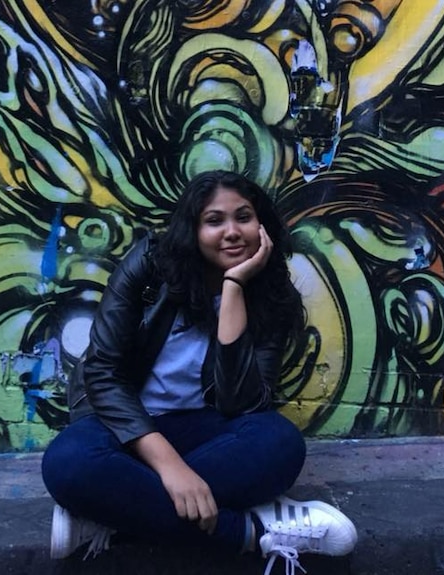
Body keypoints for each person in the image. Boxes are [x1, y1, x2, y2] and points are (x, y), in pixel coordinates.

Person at [41, 170, 357, 573]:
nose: (232, 232)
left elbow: (243, 403)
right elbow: (102, 372)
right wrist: (171, 470)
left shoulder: (272, 295)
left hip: (208, 431)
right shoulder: (149, 266)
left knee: (280, 443)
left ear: (260, 224)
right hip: (125, 429)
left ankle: (109, 512)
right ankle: (253, 530)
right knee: (69, 462)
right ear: (192, 228)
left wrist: (234, 291)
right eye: (214, 221)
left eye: (243, 217)